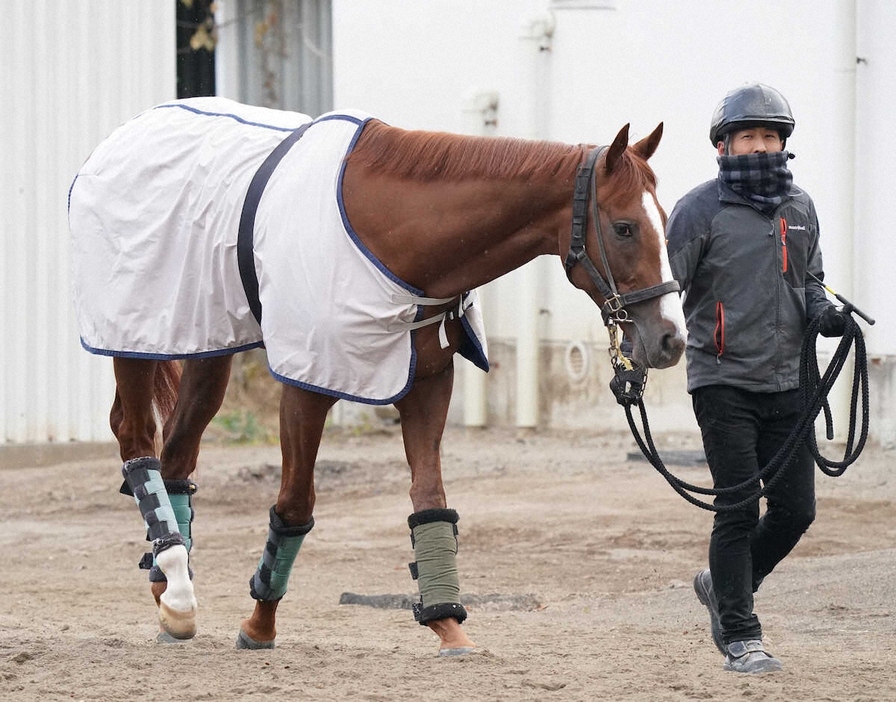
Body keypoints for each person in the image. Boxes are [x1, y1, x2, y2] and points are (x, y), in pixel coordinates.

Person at [666, 83, 848, 674]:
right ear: (724, 145)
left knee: (796, 512)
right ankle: (741, 634)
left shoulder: (801, 208)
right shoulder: (698, 211)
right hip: (722, 382)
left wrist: (826, 314)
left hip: (791, 381)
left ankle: (723, 588)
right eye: (750, 136)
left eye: (771, 136)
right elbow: (667, 294)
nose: (762, 145)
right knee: (739, 511)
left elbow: (811, 280)